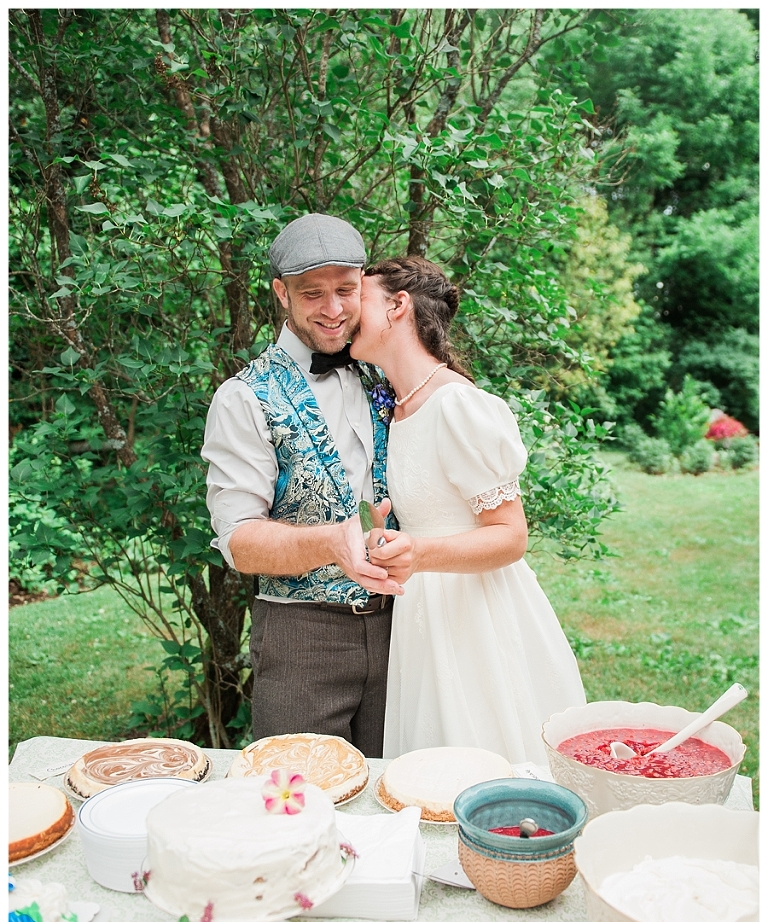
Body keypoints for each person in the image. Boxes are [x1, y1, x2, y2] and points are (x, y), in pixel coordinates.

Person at [351, 256, 586, 767]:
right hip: (422, 613)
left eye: (359, 296)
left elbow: (510, 535)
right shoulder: (394, 406)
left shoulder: (458, 405)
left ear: (397, 306)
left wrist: (420, 552)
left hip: (476, 614)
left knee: (483, 759)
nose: (346, 308)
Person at [202, 214, 401, 756]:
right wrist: (328, 544)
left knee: (396, 801)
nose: (333, 310)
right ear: (281, 295)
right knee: (296, 804)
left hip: (406, 632)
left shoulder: (385, 371)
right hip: (300, 637)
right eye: (312, 293)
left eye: (345, 290)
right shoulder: (242, 398)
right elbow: (239, 542)